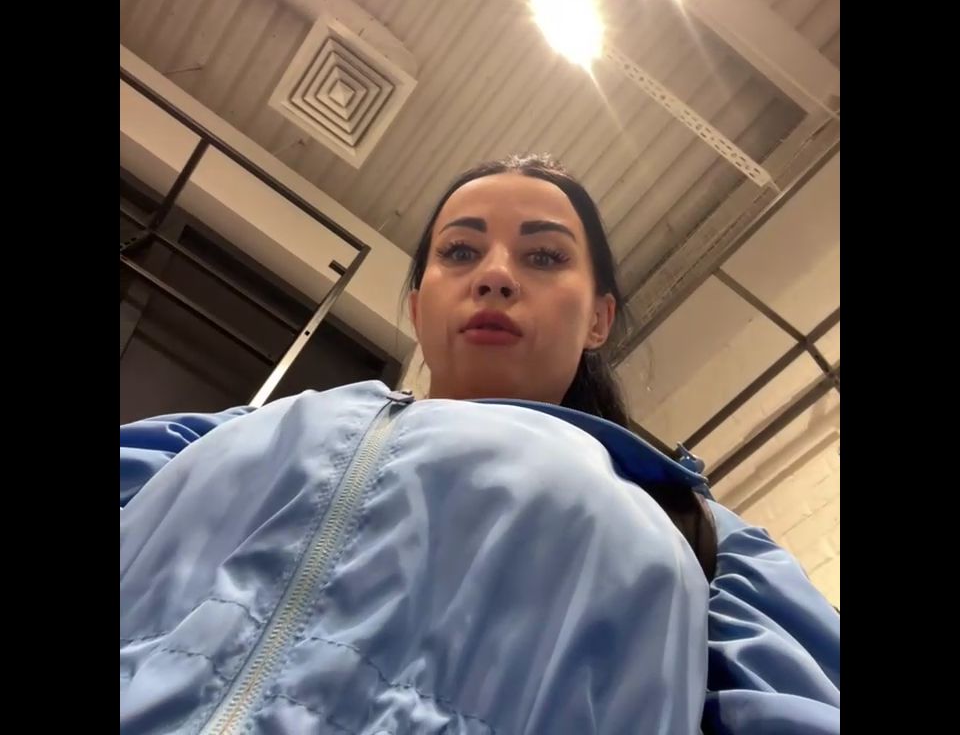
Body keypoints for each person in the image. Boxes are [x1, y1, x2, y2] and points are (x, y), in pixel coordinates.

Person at [120, 154, 840, 734]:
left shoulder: (702, 535)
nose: (495, 275)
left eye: (544, 256)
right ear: (418, 307)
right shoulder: (225, 435)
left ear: (599, 319)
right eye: (461, 251)